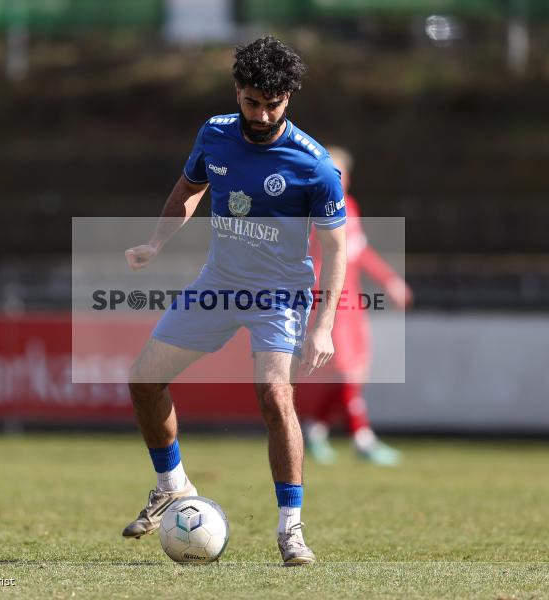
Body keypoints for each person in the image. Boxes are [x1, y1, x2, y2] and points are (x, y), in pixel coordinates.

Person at [120, 36, 346, 565]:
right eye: (252, 102)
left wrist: (324, 324)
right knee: (142, 378)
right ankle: (171, 485)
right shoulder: (215, 135)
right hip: (218, 284)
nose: (262, 115)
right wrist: (157, 241)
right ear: (236, 91)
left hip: (278, 295)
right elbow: (189, 188)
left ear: (288, 98)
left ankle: (291, 530)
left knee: (274, 396)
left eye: (274, 104)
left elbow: (336, 247)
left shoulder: (314, 165)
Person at [302, 146, 413, 466]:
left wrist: (390, 280)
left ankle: (315, 430)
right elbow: (313, 259)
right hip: (329, 302)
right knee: (347, 371)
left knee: (356, 371)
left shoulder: (349, 207)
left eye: (339, 172)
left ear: (347, 177)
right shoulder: (311, 211)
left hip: (352, 303)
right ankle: (363, 439)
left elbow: (359, 252)